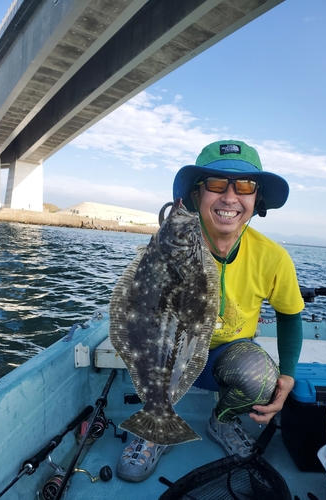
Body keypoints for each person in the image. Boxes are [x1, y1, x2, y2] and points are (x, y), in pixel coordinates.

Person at [116, 140, 304, 482]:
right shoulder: (170, 243)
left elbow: (290, 315)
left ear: (256, 199)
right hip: (174, 353)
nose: (230, 197)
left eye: (245, 186)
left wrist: (288, 374)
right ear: (197, 194)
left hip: (224, 359)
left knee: (262, 376)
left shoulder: (273, 257)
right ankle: (154, 422)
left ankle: (223, 420)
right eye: (217, 184)